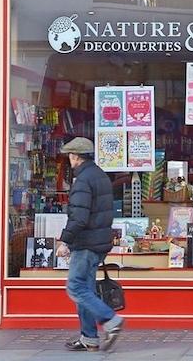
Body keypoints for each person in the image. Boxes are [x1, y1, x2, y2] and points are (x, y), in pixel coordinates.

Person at [56, 137, 124, 352]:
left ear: (74, 156)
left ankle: (110, 320)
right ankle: (89, 337)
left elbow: (79, 217)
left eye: (70, 156)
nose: (69, 160)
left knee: (75, 287)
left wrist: (65, 240)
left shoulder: (83, 181)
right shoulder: (100, 176)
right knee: (85, 289)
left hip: (86, 243)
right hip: (99, 241)